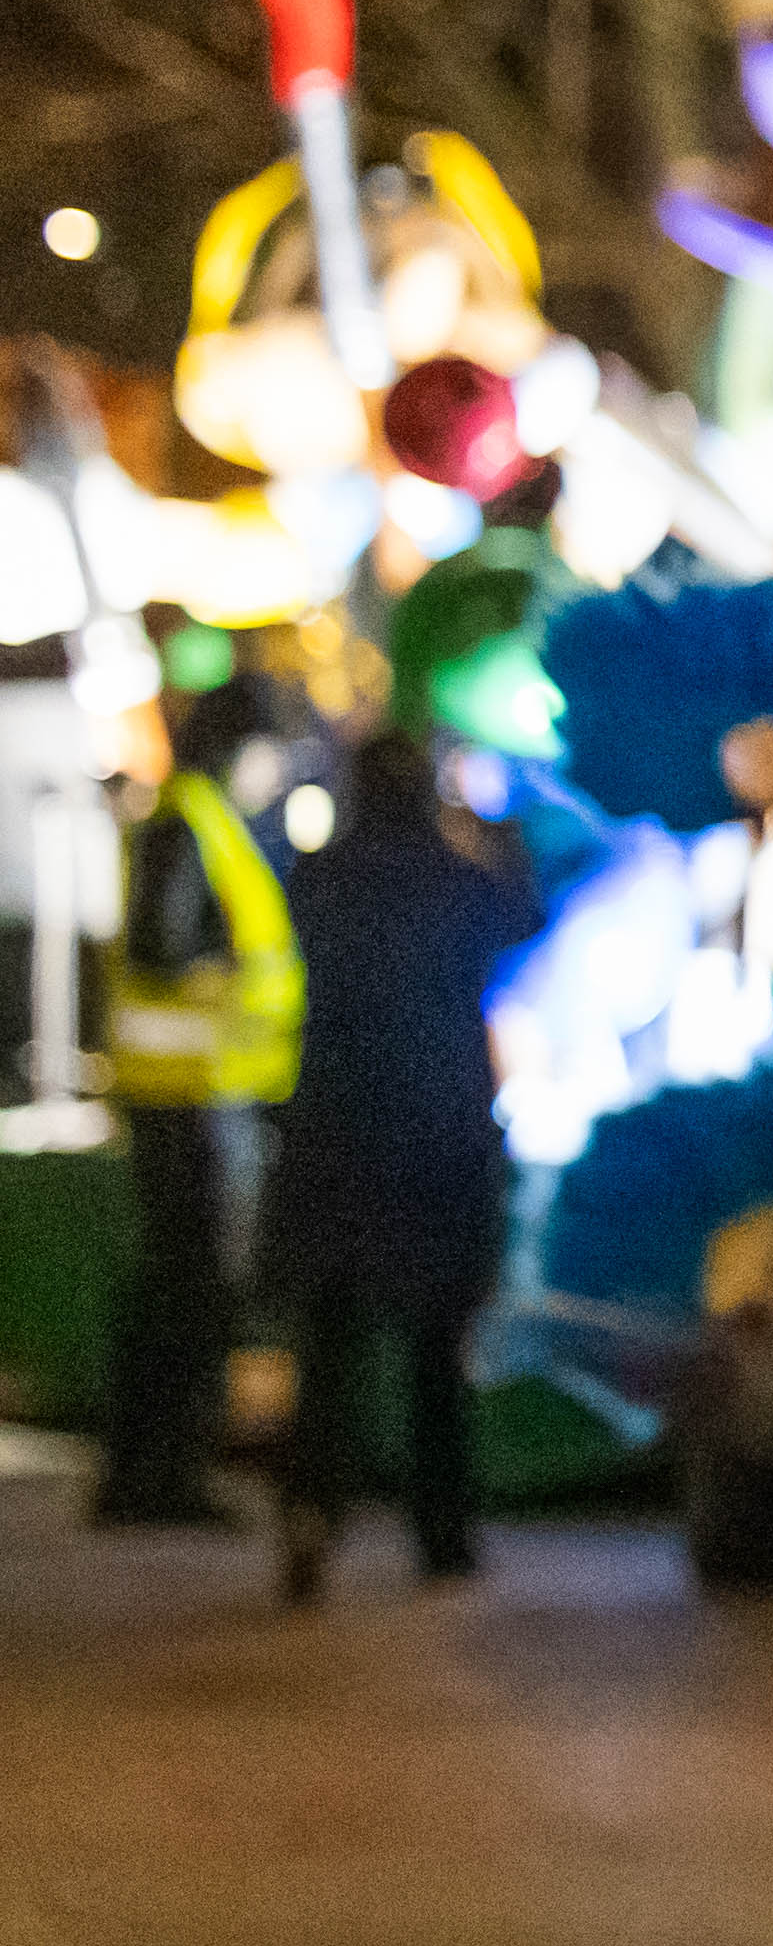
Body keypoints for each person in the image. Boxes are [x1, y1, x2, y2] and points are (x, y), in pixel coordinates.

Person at [250, 723, 543, 1598]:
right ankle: (444, 1536)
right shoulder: (462, 884)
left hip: (334, 1134)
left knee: (329, 1350)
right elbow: (523, 919)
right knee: (434, 1353)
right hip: (438, 1140)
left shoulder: (319, 878)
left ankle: (312, 1515)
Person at [96, 675, 298, 1528]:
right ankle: (158, 1474)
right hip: (188, 1100)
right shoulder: (191, 824)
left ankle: (149, 1471)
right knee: (191, 1292)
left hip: (193, 1099)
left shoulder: (202, 822)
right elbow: (161, 949)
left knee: (181, 1288)